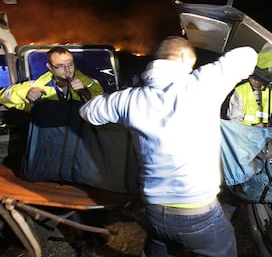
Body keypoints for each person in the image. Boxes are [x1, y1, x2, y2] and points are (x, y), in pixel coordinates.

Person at [79, 36, 258, 257]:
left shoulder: (127, 99)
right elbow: (248, 54)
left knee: (160, 247)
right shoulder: (202, 83)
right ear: (183, 58)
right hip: (198, 212)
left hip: (155, 212)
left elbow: (88, 112)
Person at [0, 46, 103, 112]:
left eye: (70, 64)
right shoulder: (37, 85)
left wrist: (84, 91)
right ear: (50, 67)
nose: (67, 70)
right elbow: (4, 96)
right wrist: (27, 93)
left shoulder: (89, 83)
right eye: (61, 66)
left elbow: (103, 105)